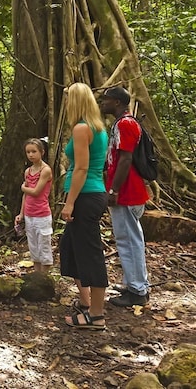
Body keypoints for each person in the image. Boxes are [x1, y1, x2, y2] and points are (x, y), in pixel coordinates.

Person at [59, 83, 109, 330]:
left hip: (85, 197)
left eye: (68, 100)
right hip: (92, 194)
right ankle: (86, 302)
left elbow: (81, 168)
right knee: (69, 247)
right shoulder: (98, 128)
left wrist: (69, 203)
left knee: (90, 254)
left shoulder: (81, 129)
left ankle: (96, 316)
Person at [99, 86, 151, 307]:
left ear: (117, 103)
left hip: (127, 192)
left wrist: (114, 190)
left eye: (106, 100)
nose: (102, 103)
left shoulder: (126, 124)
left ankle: (138, 290)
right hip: (124, 191)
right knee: (125, 240)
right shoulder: (121, 123)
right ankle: (133, 283)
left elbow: (126, 159)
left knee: (130, 241)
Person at [15, 138, 53, 273]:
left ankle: (43, 279)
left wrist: (23, 188)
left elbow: (36, 192)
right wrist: (21, 213)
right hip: (29, 214)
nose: (31, 155)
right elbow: (26, 195)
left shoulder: (45, 170)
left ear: (42, 152)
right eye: (28, 152)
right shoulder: (28, 171)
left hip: (42, 215)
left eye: (34, 151)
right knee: (34, 248)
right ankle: (37, 277)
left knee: (44, 247)